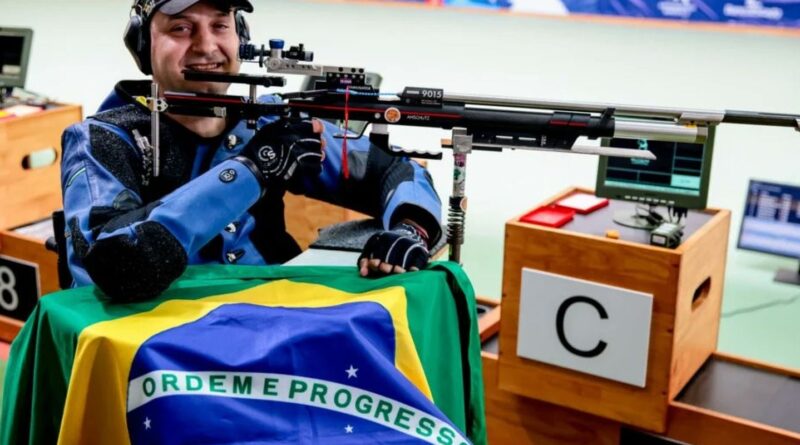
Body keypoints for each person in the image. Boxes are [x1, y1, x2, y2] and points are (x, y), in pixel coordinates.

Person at [60, 0, 442, 302]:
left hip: (272, 319)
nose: (207, 46)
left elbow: (395, 171)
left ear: (240, 37)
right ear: (143, 45)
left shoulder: (268, 120)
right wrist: (253, 170)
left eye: (221, 25)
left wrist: (411, 230)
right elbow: (118, 264)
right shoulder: (102, 140)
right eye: (181, 28)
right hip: (159, 347)